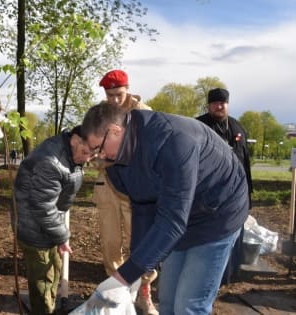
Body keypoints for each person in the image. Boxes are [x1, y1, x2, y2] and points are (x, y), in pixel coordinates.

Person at [81, 102, 249, 315]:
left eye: (99, 148)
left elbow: (172, 223)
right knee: (168, 302)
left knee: (188, 305)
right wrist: (134, 271)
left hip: (218, 213)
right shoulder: (117, 161)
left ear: (115, 131)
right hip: (178, 212)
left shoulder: (172, 141)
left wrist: (121, 277)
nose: (100, 156)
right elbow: (142, 207)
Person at [95, 69, 158, 314]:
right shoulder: (100, 114)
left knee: (141, 242)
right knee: (111, 242)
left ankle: (144, 294)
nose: (114, 100)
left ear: (128, 88)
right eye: (109, 95)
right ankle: (119, 297)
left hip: (136, 188)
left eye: (118, 94)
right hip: (108, 185)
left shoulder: (144, 113)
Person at [14, 126, 92, 315]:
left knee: (54, 270)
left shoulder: (69, 155)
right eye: (85, 152)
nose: (87, 159)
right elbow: (43, 207)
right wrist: (62, 236)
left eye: (92, 154)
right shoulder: (51, 161)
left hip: (47, 227)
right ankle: (43, 310)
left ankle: (47, 307)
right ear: (75, 140)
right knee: (42, 280)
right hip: (34, 228)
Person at [196, 87, 253, 284]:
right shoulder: (199, 126)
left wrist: (248, 193)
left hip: (236, 192)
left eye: (223, 103)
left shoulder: (237, 127)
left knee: (235, 231)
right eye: (215, 103)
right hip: (209, 194)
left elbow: (245, 161)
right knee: (211, 234)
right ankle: (208, 275)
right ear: (209, 105)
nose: (219, 106)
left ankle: (231, 273)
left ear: (227, 104)